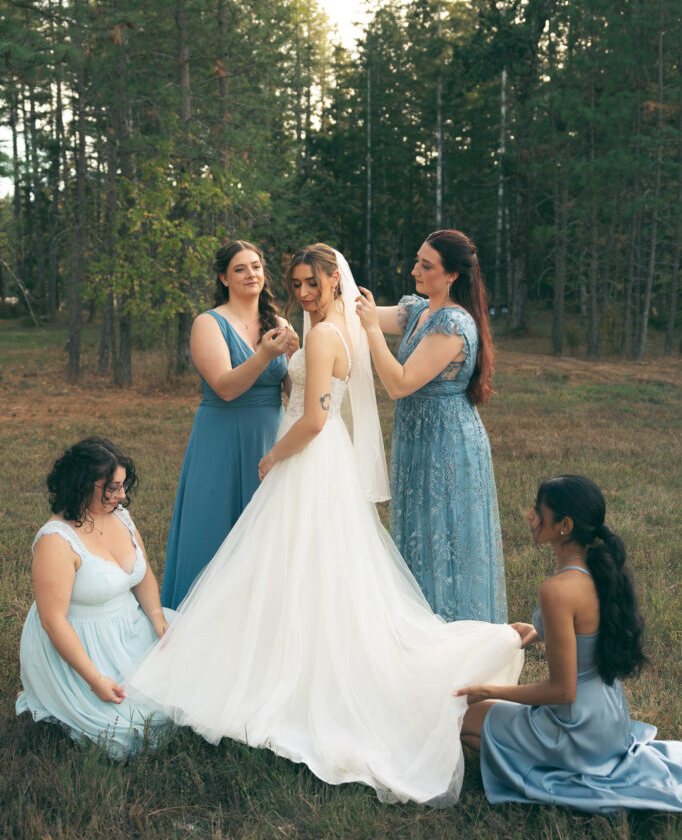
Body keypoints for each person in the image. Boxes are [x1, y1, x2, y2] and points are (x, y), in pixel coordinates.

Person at [125, 244, 523, 807]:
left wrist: (272, 457)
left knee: (289, 561)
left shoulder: (322, 334)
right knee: (312, 566)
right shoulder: (336, 328)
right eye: (297, 284)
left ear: (335, 280)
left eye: (313, 283)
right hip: (325, 458)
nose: (303, 293)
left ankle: (290, 669)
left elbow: (314, 419)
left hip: (308, 457)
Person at [455, 474, 682, 813]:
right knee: (481, 726)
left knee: (460, 720)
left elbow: (563, 691)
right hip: (608, 717)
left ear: (564, 525)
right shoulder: (597, 568)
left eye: (538, 509)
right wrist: (538, 630)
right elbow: (583, 629)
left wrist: (491, 691)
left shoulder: (557, 590)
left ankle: (556, 775)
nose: (530, 515)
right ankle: (551, 765)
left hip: (575, 724)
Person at [356, 229, 507, 623]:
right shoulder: (419, 311)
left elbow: (399, 383)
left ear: (452, 274)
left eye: (426, 265)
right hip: (417, 440)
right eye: (417, 260)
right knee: (419, 537)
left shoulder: (453, 324)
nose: (415, 270)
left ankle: (453, 638)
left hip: (447, 443)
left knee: (447, 541)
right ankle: (419, 634)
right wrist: (330, 280)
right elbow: (360, 314)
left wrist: (373, 330)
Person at [16, 437, 175, 759]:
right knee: (130, 733)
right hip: (83, 645)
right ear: (83, 486)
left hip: (130, 626)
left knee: (195, 684)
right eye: (113, 488)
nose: (122, 496)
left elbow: (142, 575)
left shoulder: (120, 516)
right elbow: (53, 620)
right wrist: (95, 680)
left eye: (123, 486)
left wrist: (158, 620)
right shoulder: (56, 541)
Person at [161, 239, 297, 608]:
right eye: (240, 268)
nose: (251, 274)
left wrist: (300, 361)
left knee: (264, 535)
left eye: (256, 266)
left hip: (269, 438)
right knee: (213, 532)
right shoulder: (208, 323)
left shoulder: (279, 323)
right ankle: (199, 621)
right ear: (224, 277)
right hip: (221, 439)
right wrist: (265, 353)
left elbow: (291, 389)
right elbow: (225, 387)